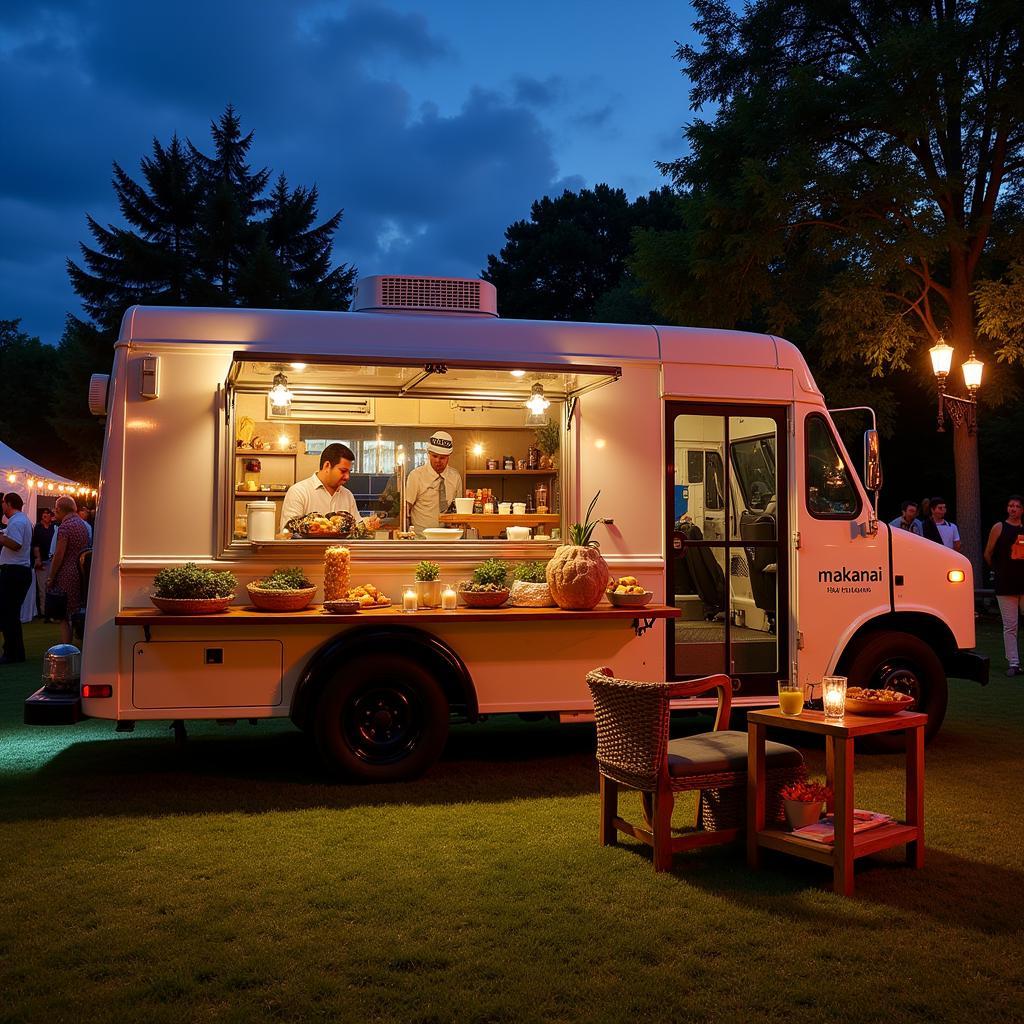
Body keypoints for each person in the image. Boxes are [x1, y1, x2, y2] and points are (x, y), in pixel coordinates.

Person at [280, 443, 381, 532]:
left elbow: (355, 527)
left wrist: (367, 524)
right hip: (308, 552)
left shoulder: (347, 495)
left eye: (349, 472)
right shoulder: (299, 492)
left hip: (341, 552)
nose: (347, 477)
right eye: (343, 471)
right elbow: (288, 532)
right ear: (327, 466)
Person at [983, 495, 1024, 677]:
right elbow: (988, 553)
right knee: (1010, 625)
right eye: (1010, 506)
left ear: (1022, 510)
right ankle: (1014, 663)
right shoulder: (999, 527)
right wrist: (998, 570)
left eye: (1016, 506)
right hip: (1006, 584)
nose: (1013, 509)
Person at [46, 495, 91, 646]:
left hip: (66, 573)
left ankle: (66, 648)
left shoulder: (65, 527)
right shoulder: (82, 525)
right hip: (80, 572)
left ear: (59, 509)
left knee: (63, 615)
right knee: (75, 611)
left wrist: (51, 577)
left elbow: (59, 554)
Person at [405, 431, 464, 536]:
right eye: (434, 456)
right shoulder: (416, 476)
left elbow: (458, 509)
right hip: (421, 538)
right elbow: (406, 509)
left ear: (449, 456)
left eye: (442, 458)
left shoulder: (455, 477)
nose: (438, 460)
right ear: (428, 454)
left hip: (448, 537)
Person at [0, 492, 34, 664]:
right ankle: (15, 652)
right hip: (19, 571)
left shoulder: (17, 521)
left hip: (14, 571)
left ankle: (12, 653)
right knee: (10, 613)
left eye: (3, 503)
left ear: (9, 503)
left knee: (8, 613)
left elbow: (15, 543)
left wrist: (1, 538)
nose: (2, 506)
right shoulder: (22, 520)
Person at [31, 507, 56, 619]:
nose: (45, 515)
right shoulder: (38, 527)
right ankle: (44, 611)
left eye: (47, 514)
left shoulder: (53, 528)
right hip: (42, 560)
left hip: (52, 560)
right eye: (44, 514)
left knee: (51, 586)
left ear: (51, 516)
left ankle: (51, 611)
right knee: (42, 587)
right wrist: (38, 558)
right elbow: (35, 544)